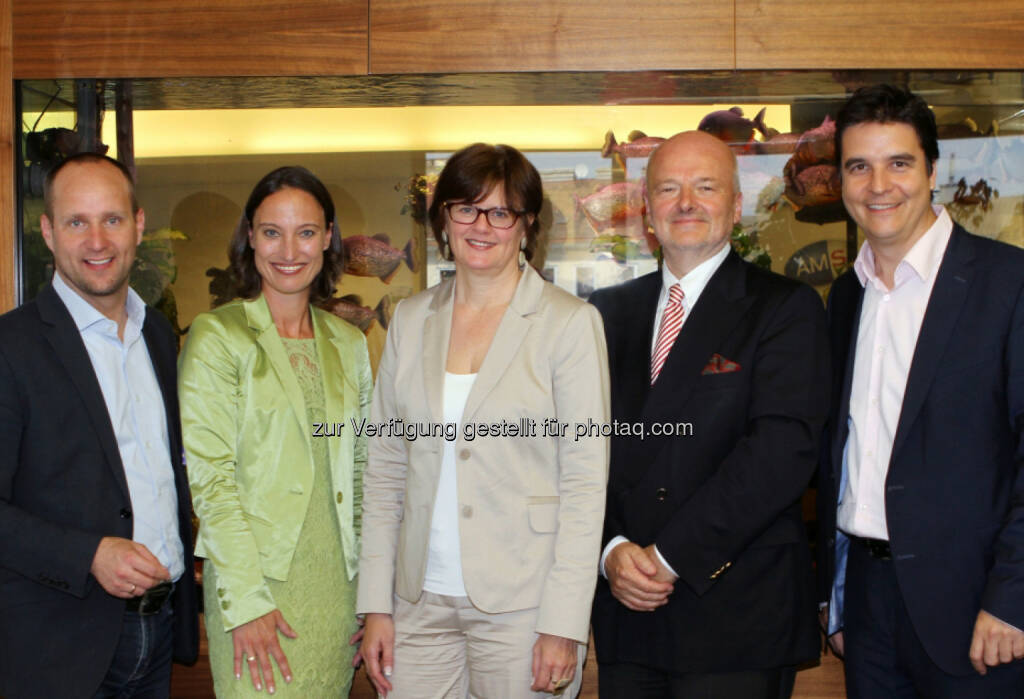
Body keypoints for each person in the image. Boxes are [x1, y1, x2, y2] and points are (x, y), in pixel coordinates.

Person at [357, 142, 609, 698]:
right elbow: (385, 469)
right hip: (417, 600)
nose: (482, 225)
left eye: (501, 212)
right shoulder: (410, 318)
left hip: (524, 602)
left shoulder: (569, 324)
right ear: (443, 219)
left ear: (526, 225)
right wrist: (376, 604)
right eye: (466, 208)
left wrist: (563, 623)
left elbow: (586, 484)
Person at [589, 130, 829, 698]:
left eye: (705, 186)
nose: (686, 202)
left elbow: (781, 452)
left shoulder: (785, 307)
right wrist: (610, 550)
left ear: (737, 205)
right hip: (628, 609)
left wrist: (670, 558)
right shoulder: (605, 313)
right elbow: (578, 448)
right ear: (647, 210)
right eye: (668, 188)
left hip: (734, 611)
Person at [817, 84, 1024, 697]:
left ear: (933, 171)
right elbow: (843, 455)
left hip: (977, 608)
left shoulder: (1007, 284)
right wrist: (837, 595)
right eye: (860, 166)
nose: (879, 185)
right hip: (867, 606)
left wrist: (1013, 597)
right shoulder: (844, 298)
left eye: (899, 163)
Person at [0, 152, 199, 698]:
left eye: (111, 219)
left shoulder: (157, 334)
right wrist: (88, 554)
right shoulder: (9, 348)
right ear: (47, 231)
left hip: (157, 632)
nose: (97, 241)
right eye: (76, 222)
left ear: (137, 225)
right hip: (58, 647)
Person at [178, 166, 371, 696]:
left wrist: (372, 597)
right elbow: (212, 484)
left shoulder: (348, 343)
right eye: (271, 231)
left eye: (306, 232)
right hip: (256, 593)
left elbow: (362, 472)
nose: (289, 249)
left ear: (328, 237)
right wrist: (245, 603)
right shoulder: (218, 336)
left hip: (337, 592)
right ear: (249, 236)